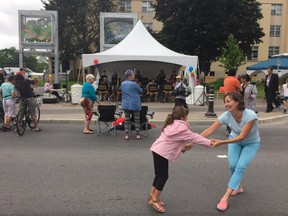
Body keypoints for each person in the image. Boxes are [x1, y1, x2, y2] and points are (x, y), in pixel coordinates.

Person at [198, 91, 260, 211]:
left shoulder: (250, 115)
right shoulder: (226, 116)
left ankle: (225, 197)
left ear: (237, 102)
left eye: (228, 101)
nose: (226, 104)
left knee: (240, 167)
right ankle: (238, 186)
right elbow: (210, 130)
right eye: (225, 102)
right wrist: (193, 142)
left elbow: (242, 136)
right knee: (232, 166)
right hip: (234, 140)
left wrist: (221, 142)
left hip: (251, 143)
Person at [148, 106, 213, 213]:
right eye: (186, 116)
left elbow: (173, 140)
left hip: (156, 149)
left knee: (159, 175)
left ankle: (152, 195)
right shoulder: (182, 128)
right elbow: (196, 138)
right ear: (183, 117)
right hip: (162, 152)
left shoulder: (172, 123)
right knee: (163, 176)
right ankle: (155, 199)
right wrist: (210, 143)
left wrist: (182, 147)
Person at [121, 69, 143, 140]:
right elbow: (141, 91)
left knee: (127, 119)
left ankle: (126, 134)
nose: (134, 76)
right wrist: (139, 85)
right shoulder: (134, 84)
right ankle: (137, 134)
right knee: (137, 119)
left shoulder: (122, 83)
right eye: (133, 75)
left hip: (126, 103)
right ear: (130, 76)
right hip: (134, 103)